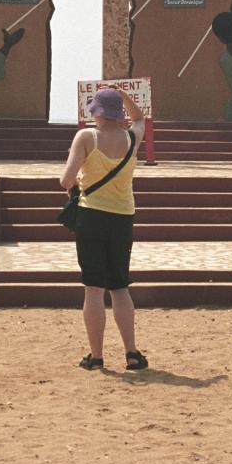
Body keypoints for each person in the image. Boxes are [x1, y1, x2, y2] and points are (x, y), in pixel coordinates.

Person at [60, 86, 148, 372]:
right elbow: (140, 118)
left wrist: (76, 184)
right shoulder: (132, 137)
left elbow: (66, 180)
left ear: (96, 112)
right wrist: (123, 95)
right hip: (122, 217)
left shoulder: (87, 137)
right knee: (120, 286)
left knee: (94, 289)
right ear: (118, 113)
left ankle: (96, 356)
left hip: (91, 216)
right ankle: (132, 353)